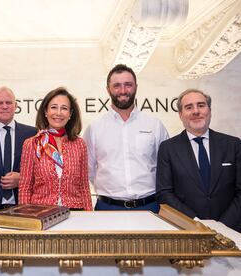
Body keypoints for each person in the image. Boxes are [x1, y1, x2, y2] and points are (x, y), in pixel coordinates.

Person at [83, 64, 169, 212]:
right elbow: (88, 170)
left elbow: (166, 168)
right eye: (116, 85)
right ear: (108, 89)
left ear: (136, 86)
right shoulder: (94, 128)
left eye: (128, 85)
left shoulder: (155, 125)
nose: (123, 91)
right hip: (107, 208)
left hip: (150, 207)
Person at [156, 89, 241, 232]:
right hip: (187, 231)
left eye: (201, 105)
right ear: (180, 114)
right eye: (189, 107)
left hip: (231, 230)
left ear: (209, 110)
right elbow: (164, 194)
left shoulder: (233, 145)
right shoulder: (168, 148)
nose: (196, 111)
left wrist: (223, 226)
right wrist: (195, 224)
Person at [19, 87, 92, 210]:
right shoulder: (32, 144)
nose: (58, 113)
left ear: (70, 114)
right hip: (41, 214)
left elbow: (84, 186)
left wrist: (89, 217)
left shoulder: (80, 144)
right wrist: (26, 221)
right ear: (45, 112)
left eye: (64, 108)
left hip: (75, 215)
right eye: (53, 107)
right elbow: (25, 187)